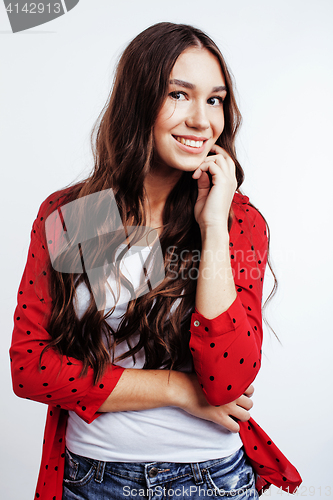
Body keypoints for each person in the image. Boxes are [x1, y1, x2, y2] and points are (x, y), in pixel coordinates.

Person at [10, 22, 302, 500]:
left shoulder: (234, 220)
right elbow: (31, 366)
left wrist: (211, 227)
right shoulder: (82, 215)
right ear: (138, 100)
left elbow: (229, 379)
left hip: (212, 479)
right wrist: (176, 389)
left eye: (215, 100)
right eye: (178, 95)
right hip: (93, 479)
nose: (201, 120)